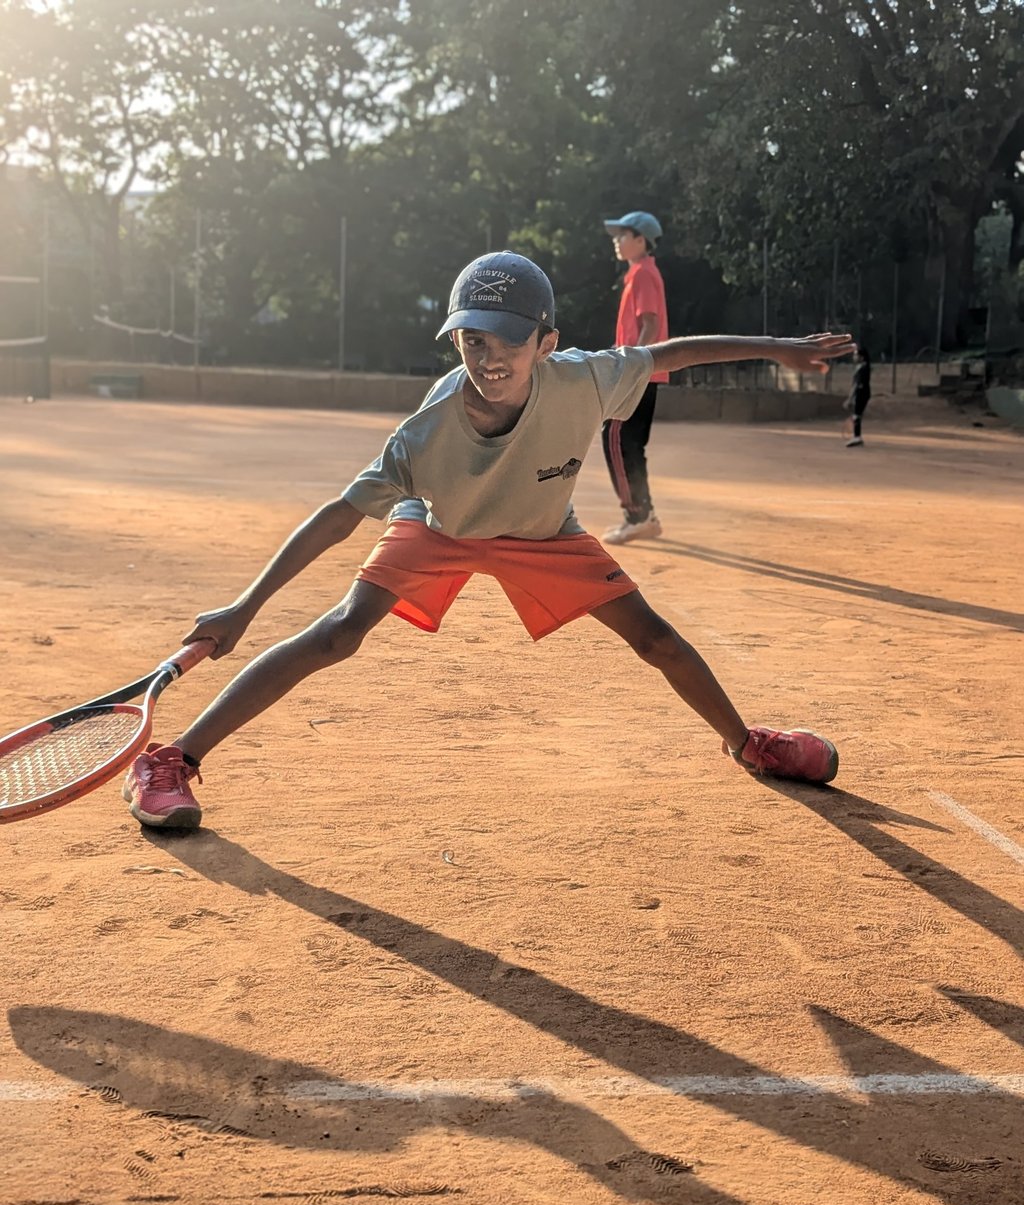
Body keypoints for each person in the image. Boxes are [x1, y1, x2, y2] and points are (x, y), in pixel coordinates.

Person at [123, 251, 854, 831]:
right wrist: (245, 609)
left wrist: (777, 349)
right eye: (474, 340)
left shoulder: (584, 379)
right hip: (441, 525)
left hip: (541, 531)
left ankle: (749, 745)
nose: (490, 356)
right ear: (455, 340)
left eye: (510, 340)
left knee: (656, 639)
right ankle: (170, 761)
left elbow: (670, 353)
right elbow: (340, 514)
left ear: (547, 343)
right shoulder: (425, 434)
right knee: (338, 633)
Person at [600, 211, 669, 545]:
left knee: (614, 437)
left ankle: (637, 516)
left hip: (639, 375)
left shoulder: (642, 273)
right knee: (630, 444)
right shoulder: (641, 273)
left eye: (623, 235)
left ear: (640, 241)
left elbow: (650, 324)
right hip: (646, 372)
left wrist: (632, 366)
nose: (617, 241)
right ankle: (645, 515)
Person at [845, 345, 871, 446]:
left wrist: (849, 399)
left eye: (856, 355)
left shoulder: (862, 368)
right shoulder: (863, 367)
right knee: (857, 415)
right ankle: (857, 437)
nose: (854, 357)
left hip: (862, 393)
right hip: (863, 393)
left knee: (856, 416)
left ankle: (857, 437)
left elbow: (856, 385)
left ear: (861, 357)